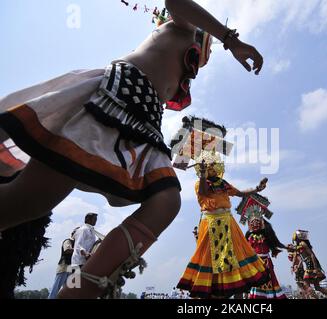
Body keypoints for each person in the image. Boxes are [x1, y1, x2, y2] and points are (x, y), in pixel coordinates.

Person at [0, 0, 263, 298]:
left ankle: (75, 292)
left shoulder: (184, 68)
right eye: (212, 44)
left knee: (166, 200)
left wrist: (182, 156)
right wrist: (232, 40)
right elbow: (175, 1)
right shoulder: (182, 27)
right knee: (28, 202)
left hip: (144, 124)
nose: (211, 52)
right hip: (115, 98)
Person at [176, 151, 270, 298]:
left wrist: (257, 188)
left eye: (214, 165)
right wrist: (201, 173)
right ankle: (213, 290)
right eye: (210, 166)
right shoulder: (200, 183)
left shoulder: (223, 183)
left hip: (228, 221)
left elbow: (240, 193)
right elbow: (203, 192)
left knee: (237, 255)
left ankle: (234, 287)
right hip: (210, 223)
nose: (213, 167)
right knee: (209, 258)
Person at [244, 209, 287, 299]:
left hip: (266, 262)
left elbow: (275, 243)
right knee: (256, 282)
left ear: (261, 223)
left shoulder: (266, 234)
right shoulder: (248, 235)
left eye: (257, 221)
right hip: (255, 263)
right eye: (253, 222)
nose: (255, 223)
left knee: (268, 282)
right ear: (249, 224)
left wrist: (286, 247)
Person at [287, 230, 327, 299]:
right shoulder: (299, 245)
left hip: (310, 264)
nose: (295, 241)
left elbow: (312, 255)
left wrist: (315, 268)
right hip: (309, 264)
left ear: (297, 238)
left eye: (295, 239)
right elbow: (294, 249)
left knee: (306, 284)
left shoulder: (302, 243)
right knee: (317, 287)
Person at [48, 227, 78, 299]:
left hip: (70, 268)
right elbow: (67, 250)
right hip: (64, 266)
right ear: (73, 234)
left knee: (68, 289)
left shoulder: (75, 244)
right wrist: (78, 250)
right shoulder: (68, 241)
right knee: (56, 288)